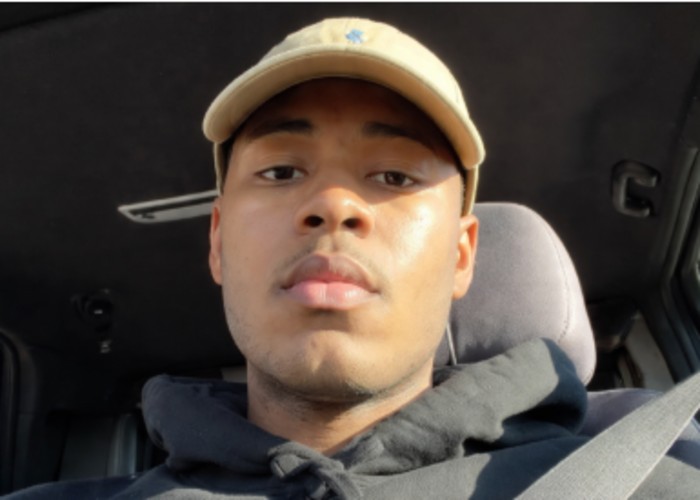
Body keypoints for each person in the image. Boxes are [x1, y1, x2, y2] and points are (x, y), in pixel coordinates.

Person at [8, 16, 700, 500]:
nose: (334, 205)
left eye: (394, 176)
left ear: (462, 257)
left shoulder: (657, 486)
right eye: (281, 172)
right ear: (217, 241)